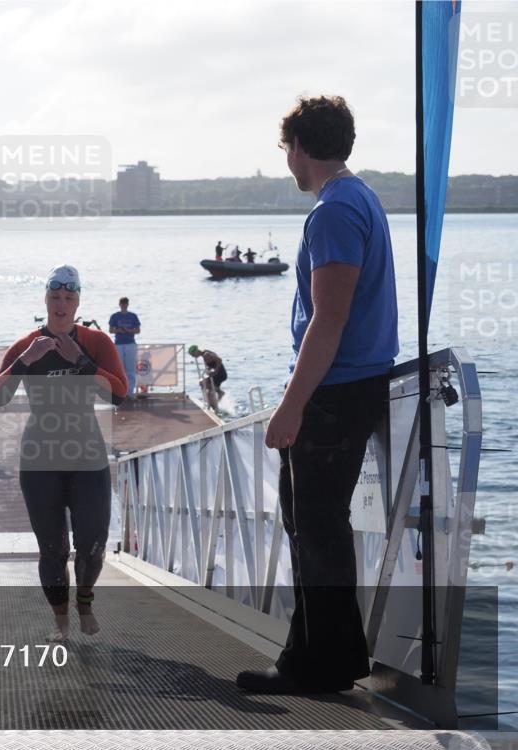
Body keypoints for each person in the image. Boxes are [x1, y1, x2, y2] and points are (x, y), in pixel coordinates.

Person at [236, 95, 398, 695]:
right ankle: (323, 655)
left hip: (334, 391)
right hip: (354, 383)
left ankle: (318, 665)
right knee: (316, 526)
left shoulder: (332, 211)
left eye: (287, 151)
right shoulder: (363, 198)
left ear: (300, 147)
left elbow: (328, 320)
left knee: (316, 528)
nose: (288, 163)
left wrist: (292, 405)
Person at [0, 265, 128, 641]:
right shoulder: (27, 345)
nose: (61, 304)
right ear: (45, 300)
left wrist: (82, 363)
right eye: (55, 297)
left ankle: (84, 600)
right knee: (52, 549)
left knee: (92, 545)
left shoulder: (97, 343)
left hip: (88, 455)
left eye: (68, 297)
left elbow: (119, 394)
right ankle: (61, 621)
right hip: (40, 459)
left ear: (78, 301)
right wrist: (25, 361)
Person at [108, 297, 141, 400]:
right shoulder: (115, 316)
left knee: (130, 369)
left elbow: (138, 330)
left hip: (130, 343)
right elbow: (111, 330)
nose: (124, 305)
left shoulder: (133, 316)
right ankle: (120, 392)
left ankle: (130, 392)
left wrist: (129, 330)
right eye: (122, 303)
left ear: (127, 304)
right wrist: (119, 330)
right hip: (119, 344)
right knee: (119, 368)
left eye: (125, 303)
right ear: (119, 304)